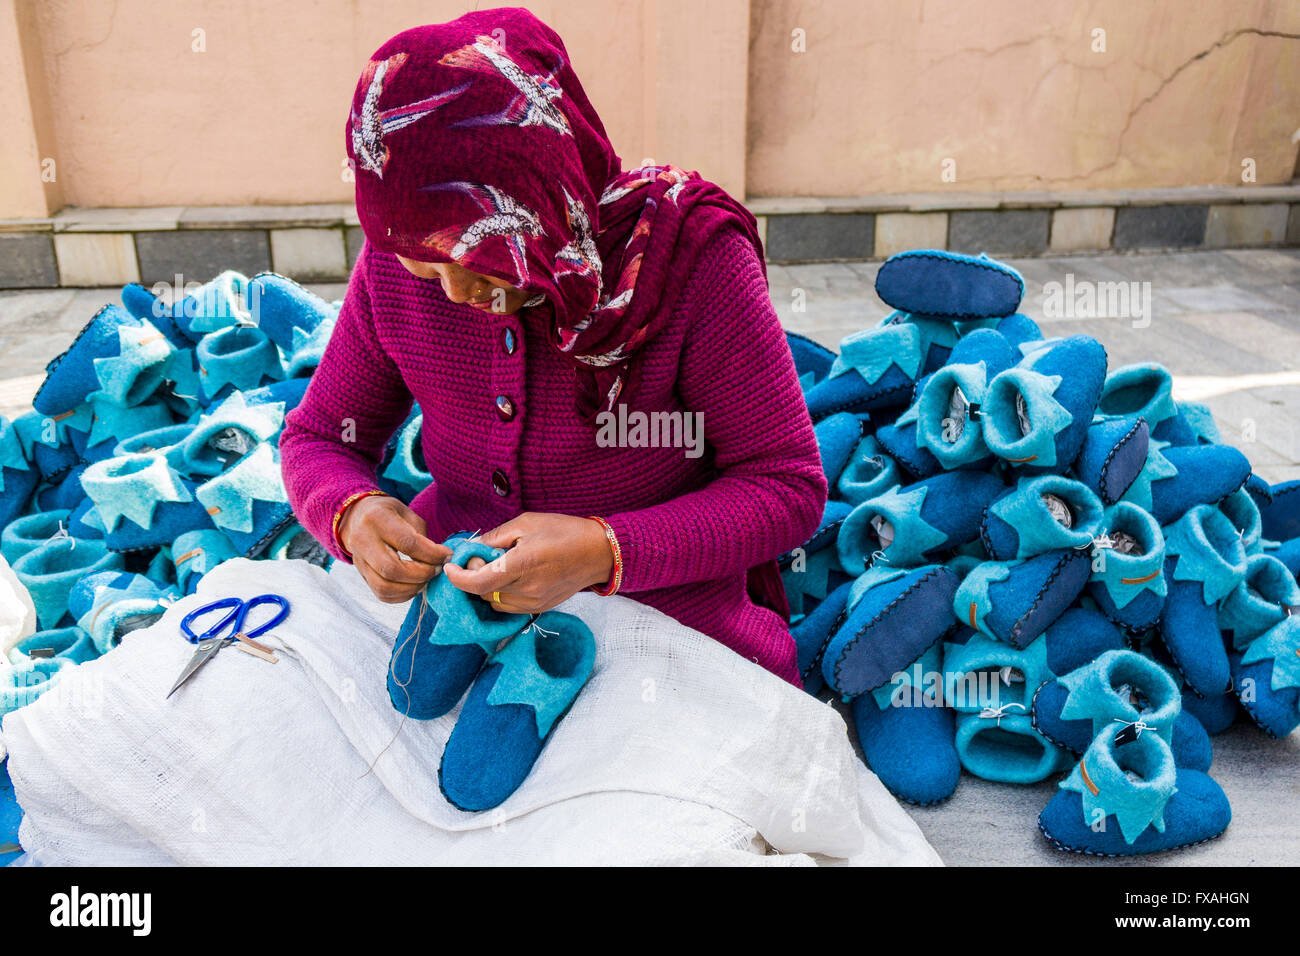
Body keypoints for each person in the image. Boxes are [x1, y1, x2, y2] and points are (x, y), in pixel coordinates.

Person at [278, 6, 826, 684]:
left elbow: (785, 487)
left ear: (544, 190)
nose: (452, 292)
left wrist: (604, 550)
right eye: (428, 267)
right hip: (454, 608)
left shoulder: (691, 260)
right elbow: (320, 439)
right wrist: (352, 512)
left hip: (667, 614)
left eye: (479, 258)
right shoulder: (394, 266)